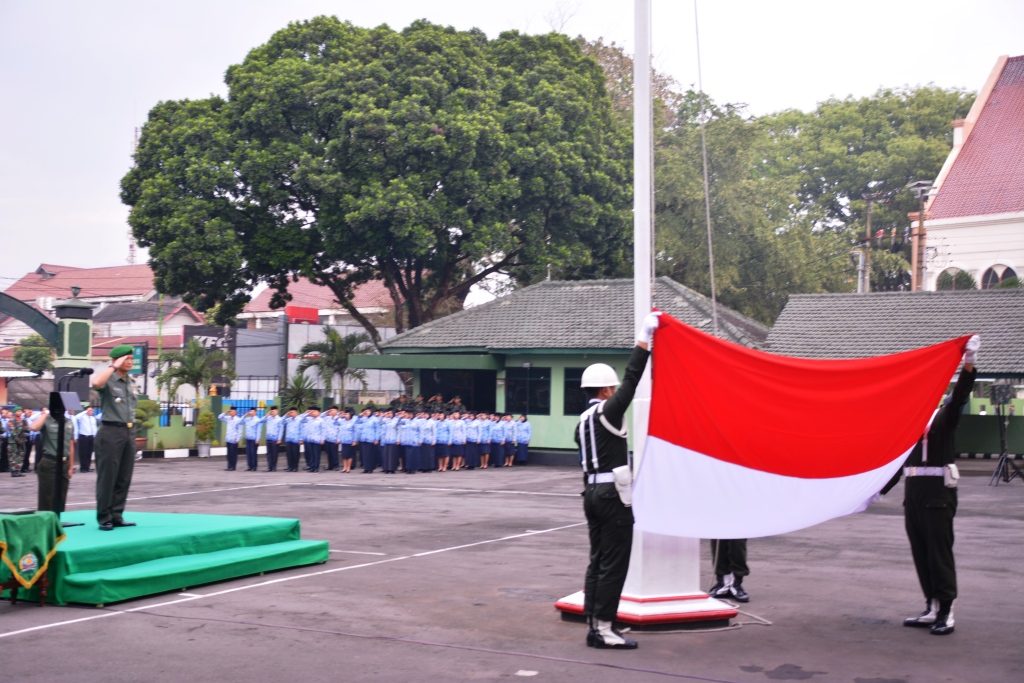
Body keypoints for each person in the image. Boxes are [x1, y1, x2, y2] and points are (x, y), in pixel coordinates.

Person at [880, 334, 979, 636]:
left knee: (939, 552)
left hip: (938, 494)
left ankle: (946, 611)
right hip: (915, 496)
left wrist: (969, 364)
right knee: (921, 552)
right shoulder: (910, 421)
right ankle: (931, 606)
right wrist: (878, 489)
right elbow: (899, 461)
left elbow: (961, 395)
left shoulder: (944, 416)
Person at [576, 311, 660, 650]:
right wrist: (644, 340)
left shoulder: (582, 418)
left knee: (598, 559)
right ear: (607, 388)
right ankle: (605, 627)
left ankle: (595, 622)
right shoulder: (609, 410)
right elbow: (633, 377)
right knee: (613, 562)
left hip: (591, 492)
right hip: (612, 494)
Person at [91, 344, 140, 531]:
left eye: (131, 359)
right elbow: (96, 383)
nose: (130, 362)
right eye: (126, 359)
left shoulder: (130, 381)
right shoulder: (109, 379)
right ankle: (104, 517)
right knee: (107, 476)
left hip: (129, 432)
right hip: (111, 431)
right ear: (116, 360)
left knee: (124, 475)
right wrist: (112, 367)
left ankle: (117, 514)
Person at [30, 407, 75, 512]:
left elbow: (71, 445)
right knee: (47, 498)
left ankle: (58, 521)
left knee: (61, 496)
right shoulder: (47, 420)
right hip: (50, 462)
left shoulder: (68, 422)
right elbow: (34, 427)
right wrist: (46, 414)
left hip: (64, 463)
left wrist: (71, 467)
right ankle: (46, 523)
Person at [74, 406, 98, 473]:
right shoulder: (82, 417)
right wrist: (85, 411)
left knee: (89, 452)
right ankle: (83, 467)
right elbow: (76, 417)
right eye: (90, 410)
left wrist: (95, 435)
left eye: (92, 410)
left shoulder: (93, 418)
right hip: (84, 436)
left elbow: (94, 427)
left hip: (91, 437)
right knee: (83, 453)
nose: (91, 412)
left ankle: (87, 466)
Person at [356, 408, 380, 473]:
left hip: (371, 438)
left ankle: (370, 468)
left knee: (370, 454)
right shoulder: (364, 419)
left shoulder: (375, 419)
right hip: (364, 438)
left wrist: (376, 439)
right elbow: (357, 423)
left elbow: (377, 430)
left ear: (371, 412)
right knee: (364, 454)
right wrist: (359, 416)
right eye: (366, 411)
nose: (367, 412)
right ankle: (366, 468)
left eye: (368, 411)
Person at [302, 406, 325, 472]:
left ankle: (316, 467)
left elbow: (323, 430)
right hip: (310, 439)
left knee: (316, 454)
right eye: (312, 411)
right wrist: (307, 413)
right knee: (311, 454)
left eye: (314, 411)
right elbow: (301, 419)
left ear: (319, 413)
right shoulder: (309, 419)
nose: (313, 413)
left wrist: (322, 439)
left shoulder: (321, 420)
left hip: (317, 439)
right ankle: (312, 467)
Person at [7, 409, 28, 478]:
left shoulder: (23, 420)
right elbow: (12, 431)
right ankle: (13, 471)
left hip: (21, 441)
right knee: (13, 456)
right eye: (17, 411)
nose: (19, 412)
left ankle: (18, 470)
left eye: (20, 411)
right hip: (13, 441)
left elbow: (27, 429)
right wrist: (17, 439)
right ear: (14, 412)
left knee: (20, 456)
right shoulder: (11, 421)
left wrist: (26, 428)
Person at [263, 406, 284, 471]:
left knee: (274, 453)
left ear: (277, 411)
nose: (273, 412)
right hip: (268, 438)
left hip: (275, 439)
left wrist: (279, 439)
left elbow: (281, 430)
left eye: (274, 411)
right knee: (269, 454)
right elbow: (261, 421)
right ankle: (270, 467)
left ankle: (274, 467)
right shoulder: (268, 418)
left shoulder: (280, 419)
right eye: (272, 411)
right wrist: (267, 415)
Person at [379, 409, 400, 473]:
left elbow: (398, 430)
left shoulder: (396, 419)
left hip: (393, 439)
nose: (389, 414)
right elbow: (380, 421)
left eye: (390, 413)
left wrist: (398, 440)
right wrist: (383, 416)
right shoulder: (386, 419)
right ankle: (386, 468)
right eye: (388, 413)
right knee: (386, 455)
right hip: (387, 439)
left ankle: (392, 469)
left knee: (392, 455)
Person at [323, 406, 341, 471]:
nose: (331, 411)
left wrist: (338, 439)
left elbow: (340, 430)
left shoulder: (339, 419)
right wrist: (327, 412)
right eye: (330, 410)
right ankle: (330, 465)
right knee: (328, 453)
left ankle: (336, 465)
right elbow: (321, 416)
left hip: (334, 439)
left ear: (336, 411)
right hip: (327, 438)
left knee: (334, 453)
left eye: (333, 410)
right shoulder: (327, 418)